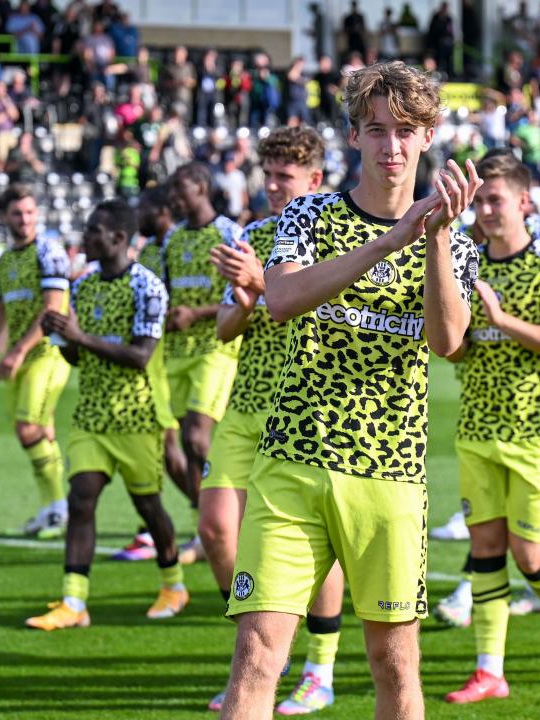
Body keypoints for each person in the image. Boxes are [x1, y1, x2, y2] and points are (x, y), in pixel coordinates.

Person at [219, 60, 479, 720]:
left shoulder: (456, 241)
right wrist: (390, 240)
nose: (391, 146)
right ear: (356, 137)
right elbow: (279, 298)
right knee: (256, 657)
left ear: (427, 137)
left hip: (389, 473)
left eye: (406, 131)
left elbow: (447, 341)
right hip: (293, 462)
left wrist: (437, 236)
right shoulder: (308, 213)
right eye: (376, 129)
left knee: (394, 666)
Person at [203, 126, 341, 714]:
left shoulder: (333, 234)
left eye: (285, 177)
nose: (274, 187)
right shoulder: (255, 235)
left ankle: (320, 670)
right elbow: (225, 330)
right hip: (245, 402)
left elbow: (331, 316)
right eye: (269, 176)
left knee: (318, 544)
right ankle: (268, 647)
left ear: (313, 179)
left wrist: (263, 284)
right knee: (215, 528)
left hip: (305, 403)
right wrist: (242, 294)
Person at [443, 151, 540, 704]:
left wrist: (502, 321)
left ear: (524, 202)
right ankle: (489, 669)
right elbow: (452, 348)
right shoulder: (465, 262)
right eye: (479, 202)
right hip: (477, 427)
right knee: (485, 552)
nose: (486, 211)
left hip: (536, 430)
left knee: (529, 555)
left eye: (495, 200)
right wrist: (457, 336)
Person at [26, 199, 188, 630]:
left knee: (149, 506)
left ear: (119, 237)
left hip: (137, 417)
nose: (86, 237)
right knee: (81, 500)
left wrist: (80, 335)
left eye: (94, 231)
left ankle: (173, 583)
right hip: (91, 417)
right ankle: (74, 603)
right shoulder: (82, 286)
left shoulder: (148, 287)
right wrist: (61, 338)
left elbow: (140, 356)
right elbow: (79, 358)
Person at [0, 184, 71, 538]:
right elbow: (0, 310)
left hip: (48, 355)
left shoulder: (49, 252)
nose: (24, 220)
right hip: (22, 357)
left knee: (28, 429)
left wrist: (19, 351)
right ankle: (52, 508)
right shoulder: (7, 260)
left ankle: (59, 508)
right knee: (40, 432)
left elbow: (52, 308)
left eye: (29, 212)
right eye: (16, 213)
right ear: (3, 217)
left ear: (37, 214)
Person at [163, 162, 243, 563]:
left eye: (180, 188)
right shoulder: (172, 240)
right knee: (178, 445)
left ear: (201, 187)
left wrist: (196, 314)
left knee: (197, 436)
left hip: (216, 347)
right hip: (176, 353)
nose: (173, 197)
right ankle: (206, 522)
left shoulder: (229, 233)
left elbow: (245, 291)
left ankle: (228, 517)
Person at [113, 184, 191, 562]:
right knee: (166, 444)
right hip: (159, 361)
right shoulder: (149, 250)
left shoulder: (177, 244)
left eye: (143, 207)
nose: (137, 214)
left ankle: (203, 513)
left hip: (176, 361)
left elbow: (181, 303)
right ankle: (159, 525)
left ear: (162, 211)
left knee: (173, 444)